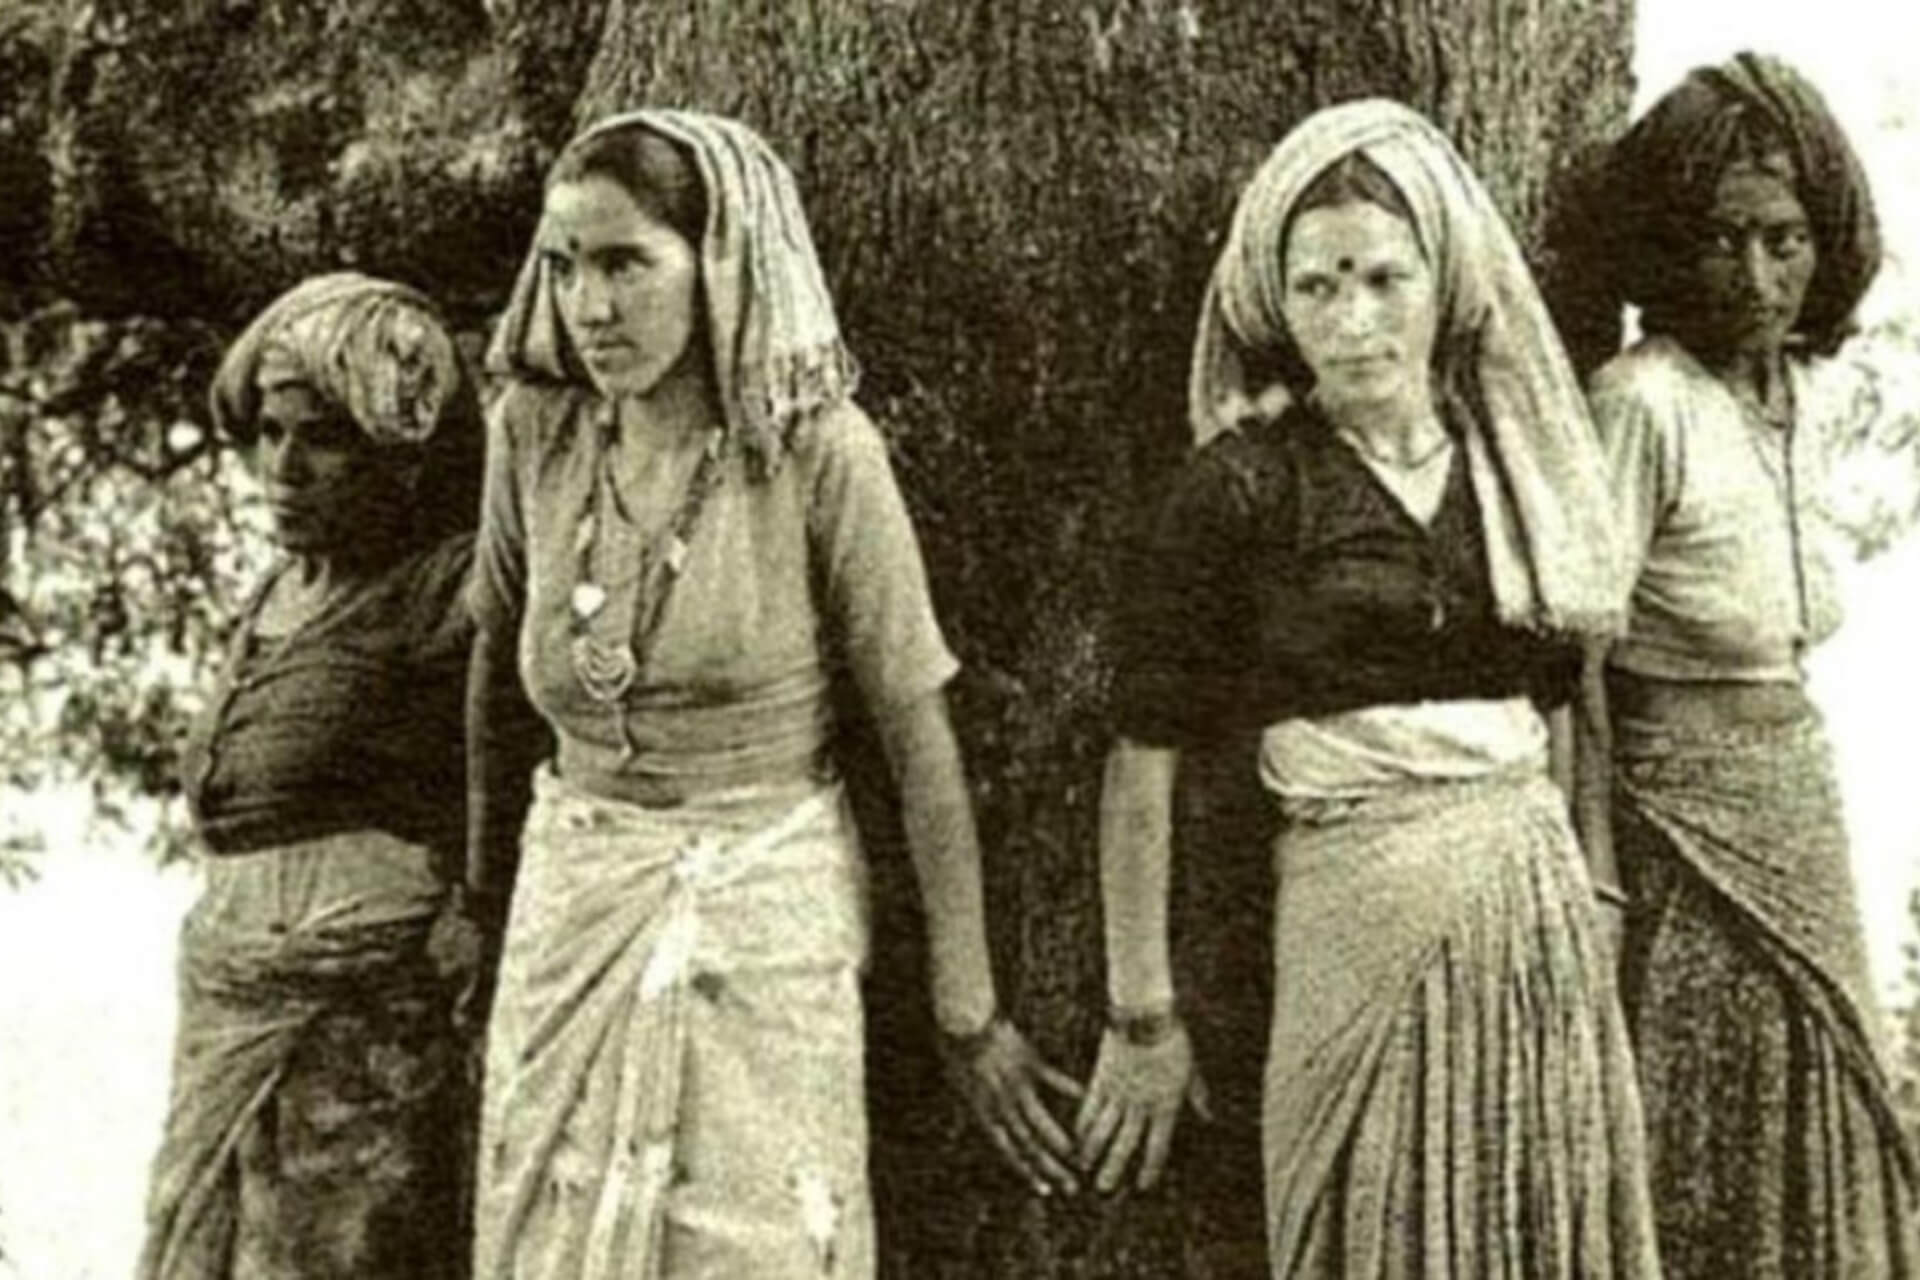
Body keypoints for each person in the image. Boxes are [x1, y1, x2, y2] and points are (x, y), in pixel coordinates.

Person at [462, 109, 1079, 1278]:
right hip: (570, 911)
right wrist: (481, 886)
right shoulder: (534, 433)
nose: (590, 306)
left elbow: (918, 734)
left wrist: (970, 1011)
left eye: (625, 263)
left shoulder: (814, 451)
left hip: (763, 910)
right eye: (565, 265)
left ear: (720, 261)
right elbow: (495, 672)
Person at [1079, 99, 1662, 1277]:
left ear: (1443, 281)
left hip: (1532, 917)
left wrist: (1593, 899)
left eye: (1385, 278)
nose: (1353, 321)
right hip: (1350, 912)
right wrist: (1142, 1014)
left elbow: (1561, 709)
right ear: (1274, 303)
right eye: (1317, 286)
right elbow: (1143, 755)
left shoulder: (1517, 472)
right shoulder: (1244, 488)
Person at [1581, 51, 1919, 1277]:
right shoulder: (1641, 402)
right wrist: (1601, 850)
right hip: (1679, 817)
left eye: (1785, 239)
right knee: (1710, 1107)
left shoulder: (1801, 397)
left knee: (1831, 1075)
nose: (1759, 274)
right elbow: (1578, 650)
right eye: (1724, 241)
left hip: (1794, 789)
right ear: (1673, 243)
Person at [138, 272, 485, 1279]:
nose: (282, 468)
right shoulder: (279, 589)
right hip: (235, 1006)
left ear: (397, 456)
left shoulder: (447, 590)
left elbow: (505, 759)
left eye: (323, 438)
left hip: (361, 1036)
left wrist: (464, 899)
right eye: (269, 433)